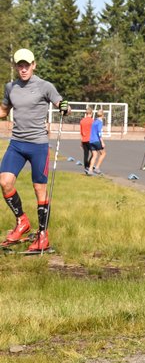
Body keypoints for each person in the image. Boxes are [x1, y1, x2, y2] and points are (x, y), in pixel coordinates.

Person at [0, 48, 69, 253]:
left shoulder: (45, 86)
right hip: (17, 144)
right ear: (16, 66)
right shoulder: (10, 87)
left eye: (26, 65)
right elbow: (4, 111)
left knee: (40, 189)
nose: (23, 69)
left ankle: (42, 236)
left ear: (34, 65)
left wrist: (64, 106)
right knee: (4, 181)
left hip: (38, 145)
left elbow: (60, 103)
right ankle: (22, 221)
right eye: (19, 65)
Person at [88, 109, 107, 175]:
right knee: (103, 153)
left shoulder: (94, 121)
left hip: (91, 140)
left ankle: (90, 170)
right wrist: (102, 142)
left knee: (94, 155)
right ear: (102, 115)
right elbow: (99, 133)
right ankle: (97, 167)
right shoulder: (99, 122)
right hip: (96, 140)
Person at [79, 107, 94, 172]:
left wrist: (81, 142)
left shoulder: (82, 121)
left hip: (84, 139)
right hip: (90, 139)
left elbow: (81, 132)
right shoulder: (92, 121)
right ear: (91, 113)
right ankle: (89, 165)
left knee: (86, 154)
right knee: (94, 154)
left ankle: (86, 167)